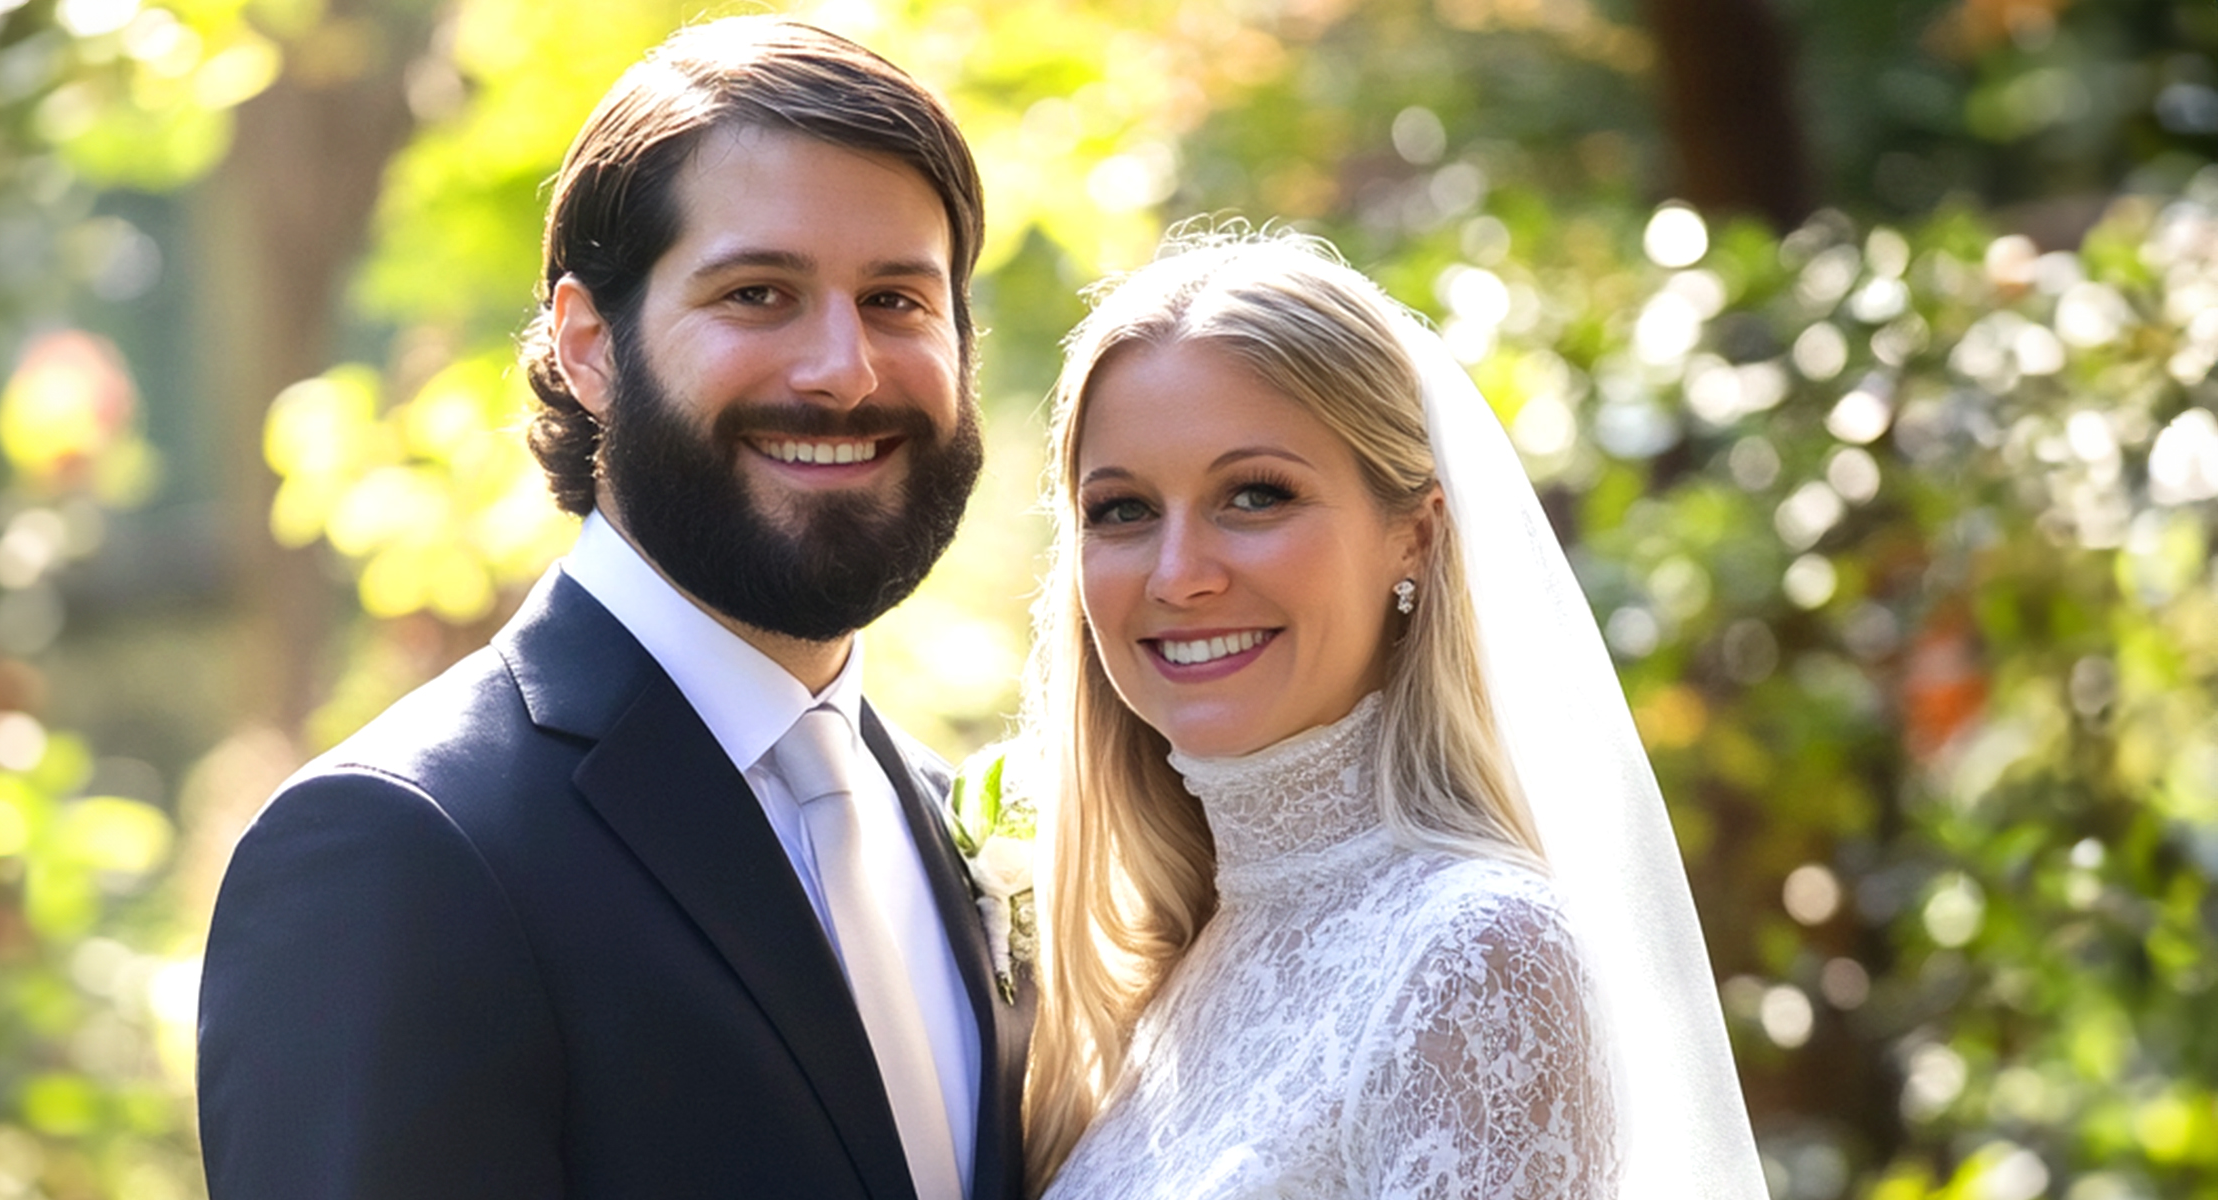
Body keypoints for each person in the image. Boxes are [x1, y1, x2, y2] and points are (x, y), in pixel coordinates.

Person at [196, 18, 1029, 1200]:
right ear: (591, 347)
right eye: (758, 293)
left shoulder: (954, 826)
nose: (844, 369)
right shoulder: (400, 848)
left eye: (897, 299)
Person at [1017, 229, 1767, 1198]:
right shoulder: (1156, 975)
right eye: (1121, 510)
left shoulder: (1476, 955)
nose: (1178, 575)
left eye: (1254, 495)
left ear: (1412, 536)